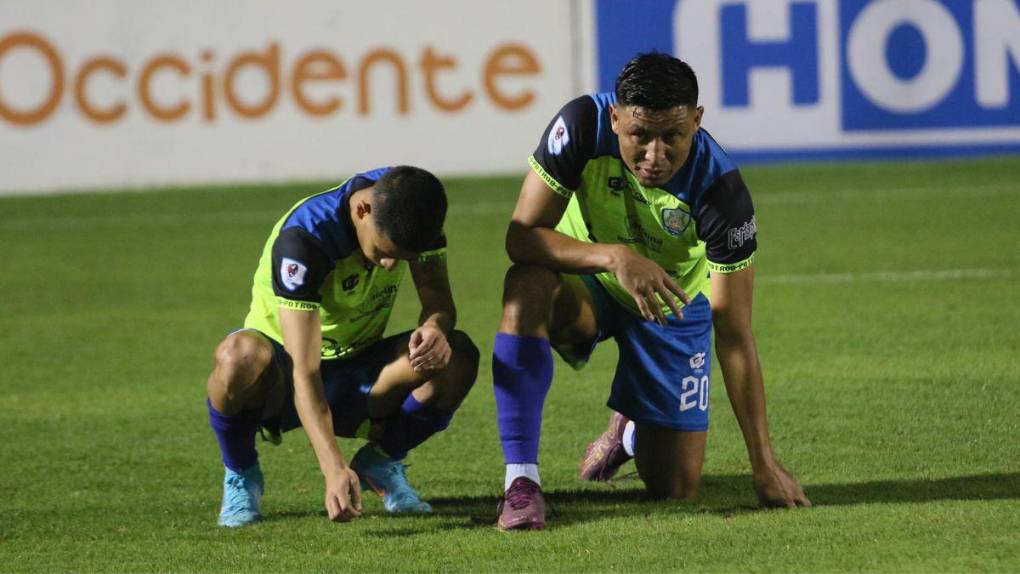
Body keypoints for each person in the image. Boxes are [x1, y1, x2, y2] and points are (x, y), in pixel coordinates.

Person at [491, 53, 811, 530]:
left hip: (671, 305)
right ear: (616, 117)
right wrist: (613, 257)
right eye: (639, 136)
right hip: (591, 278)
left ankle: (631, 431)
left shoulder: (722, 192)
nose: (655, 156)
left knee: (676, 487)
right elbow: (521, 237)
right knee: (527, 284)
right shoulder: (581, 126)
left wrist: (763, 463)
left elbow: (735, 332)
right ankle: (522, 483)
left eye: (672, 137)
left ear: (697, 122)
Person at [206, 165, 479, 527]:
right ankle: (241, 473)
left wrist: (434, 328)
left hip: (359, 370)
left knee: (457, 355)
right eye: (383, 251)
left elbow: (439, 301)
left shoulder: (415, 207)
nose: (389, 264)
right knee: (236, 356)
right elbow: (305, 369)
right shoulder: (306, 239)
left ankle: (381, 461)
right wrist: (332, 467)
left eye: (402, 258)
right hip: (283, 380)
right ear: (362, 210)